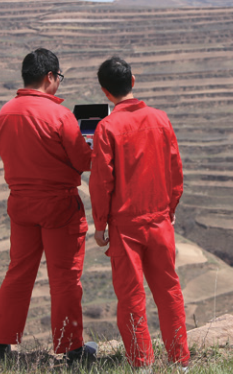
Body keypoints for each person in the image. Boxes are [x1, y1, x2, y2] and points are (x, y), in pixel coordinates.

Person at [0, 48, 96, 363]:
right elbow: (83, 161)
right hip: (58, 206)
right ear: (50, 77)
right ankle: (72, 350)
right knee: (65, 278)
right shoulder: (60, 115)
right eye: (59, 77)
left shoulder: (5, 112)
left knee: (18, 273)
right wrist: (94, 139)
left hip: (21, 204)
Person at [89, 56, 189, 369]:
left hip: (125, 227)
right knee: (169, 290)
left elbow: (102, 182)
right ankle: (180, 361)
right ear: (133, 81)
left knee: (131, 298)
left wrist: (100, 225)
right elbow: (175, 169)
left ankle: (142, 364)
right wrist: (170, 207)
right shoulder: (161, 119)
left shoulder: (106, 128)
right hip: (159, 221)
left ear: (105, 92)